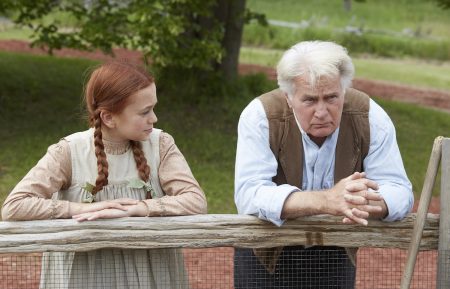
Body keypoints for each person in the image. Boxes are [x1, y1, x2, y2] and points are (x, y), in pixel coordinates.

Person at [1, 60, 207, 289]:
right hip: (84, 277)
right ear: (108, 117)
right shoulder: (69, 151)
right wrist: (80, 209)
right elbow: (15, 206)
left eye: (154, 108)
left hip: (151, 276)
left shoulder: (161, 145)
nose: (154, 118)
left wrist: (142, 208)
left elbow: (195, 200)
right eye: (145, 111)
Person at [234, 41, 413, 288]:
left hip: (336, 251)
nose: (322, 111)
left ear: (344, 90)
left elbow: (400, 190)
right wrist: (328, 201)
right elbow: (249, 195)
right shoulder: (260, 116)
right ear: (288, 97)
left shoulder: (370, 117)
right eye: (309, 100)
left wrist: (361, 200)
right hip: (264, 253)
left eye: (331, 98)